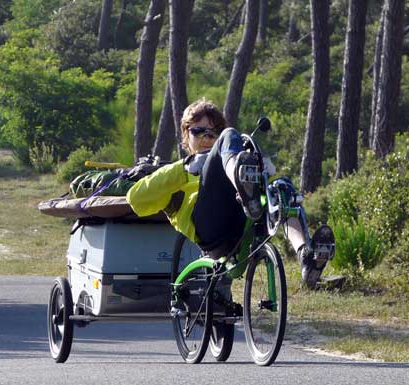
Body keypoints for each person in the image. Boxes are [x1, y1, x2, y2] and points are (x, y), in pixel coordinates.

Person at [126, 98, 334, 288]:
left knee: (282, 187)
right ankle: (243, 184)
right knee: (231, 134)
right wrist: (183, 167)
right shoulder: (178, 171)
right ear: (185, 133)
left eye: (213, 132)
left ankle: (306, 256)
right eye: (199, 131)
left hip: (242, 223)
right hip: (210, 230)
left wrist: (262, 168)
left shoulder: (225, 159)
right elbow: (135, 200)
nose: (207, 137)